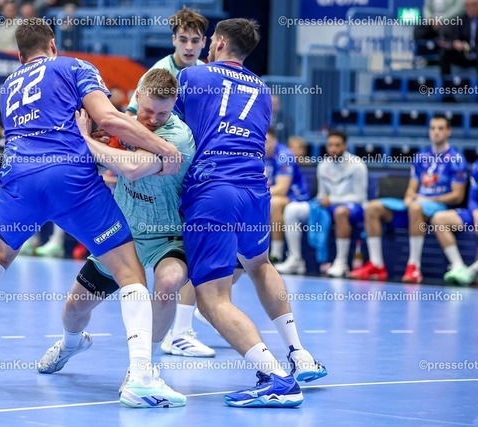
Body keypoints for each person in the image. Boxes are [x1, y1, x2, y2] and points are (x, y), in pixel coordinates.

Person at [0, 19, 186, 409]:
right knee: (130, 272)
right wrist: (163, 148)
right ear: (53, 44)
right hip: (68, 176)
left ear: (20, 56)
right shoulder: (73, 66)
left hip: (17, 177)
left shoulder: (10, 85)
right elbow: (109, 119)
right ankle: (140, 378)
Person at [174, 18, 326, 408]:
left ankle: (274, 378)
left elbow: (163, 125)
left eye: (211, 40)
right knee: (259, 265)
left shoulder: (193, 76)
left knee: (211, 298)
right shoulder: (262, 89)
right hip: (255, 191)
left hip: (214, 190)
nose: (207, 46)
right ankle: (299, 354)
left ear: (221, 42)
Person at [37, 69, 213, 392]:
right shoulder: (128, 122)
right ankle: (70, 343)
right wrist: (100, 140)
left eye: (162, 113)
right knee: (74, 310)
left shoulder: (177, 138)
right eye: (148, 111)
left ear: (174, 105)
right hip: (123, 234)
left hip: (167, 236)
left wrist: (85, 140)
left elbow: (131, 169)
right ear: (138, 96)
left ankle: (143, 367)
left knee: (169, 282)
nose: (153, 120)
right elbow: (110, 147)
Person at [125, 6, 213, 357]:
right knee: (178, 259)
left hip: (196, 170)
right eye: (183, 39)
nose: (189, 46)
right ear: (173, 40)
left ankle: (186, 324)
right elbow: (131, 119)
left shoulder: (206, 74)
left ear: (205, 42)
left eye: (195, 40)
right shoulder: (157, 74)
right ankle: (178, 330)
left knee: (216, 252)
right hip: (159, 176)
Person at [351, 116, 467, 283]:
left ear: (449, 131)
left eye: (441, 128)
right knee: (372, 207)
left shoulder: (456, 158)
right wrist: (409, 197)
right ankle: (376, 265)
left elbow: (457, 196)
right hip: (417, 205)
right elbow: (412, 188)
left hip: (439, 206)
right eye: (433, 128)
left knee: (415, 207)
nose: (436, 132)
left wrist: (426, 199)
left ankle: (414, 266)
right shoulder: (421, 156)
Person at [276, 130, 368, 278]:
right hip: (328, 205)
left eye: (337, 145)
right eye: (330, 145)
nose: (333, 149)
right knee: (292, 209)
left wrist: (332, 200)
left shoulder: (357, 165)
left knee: (340, 212)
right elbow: (322, 194)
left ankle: (341, 262)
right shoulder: (323, 165)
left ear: (345, 146)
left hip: (353, 207)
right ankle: (296, 259)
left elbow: (359, 197)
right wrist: (321, 200)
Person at [263, 127, 311, 263]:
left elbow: (281, 189)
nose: (263, 145)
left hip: (296, 197)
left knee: (274, 203)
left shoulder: (284, 155)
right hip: (270, 194)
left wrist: (255, 194)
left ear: (274, 140)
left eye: (266, 142)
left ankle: (276, 255)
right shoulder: (255, 153)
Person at [432, 161, 478, 285]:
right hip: (474, 213)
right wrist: (475, 213)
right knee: (439, 219)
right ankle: (458, 266)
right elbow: (473, 199)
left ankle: (473, 270)